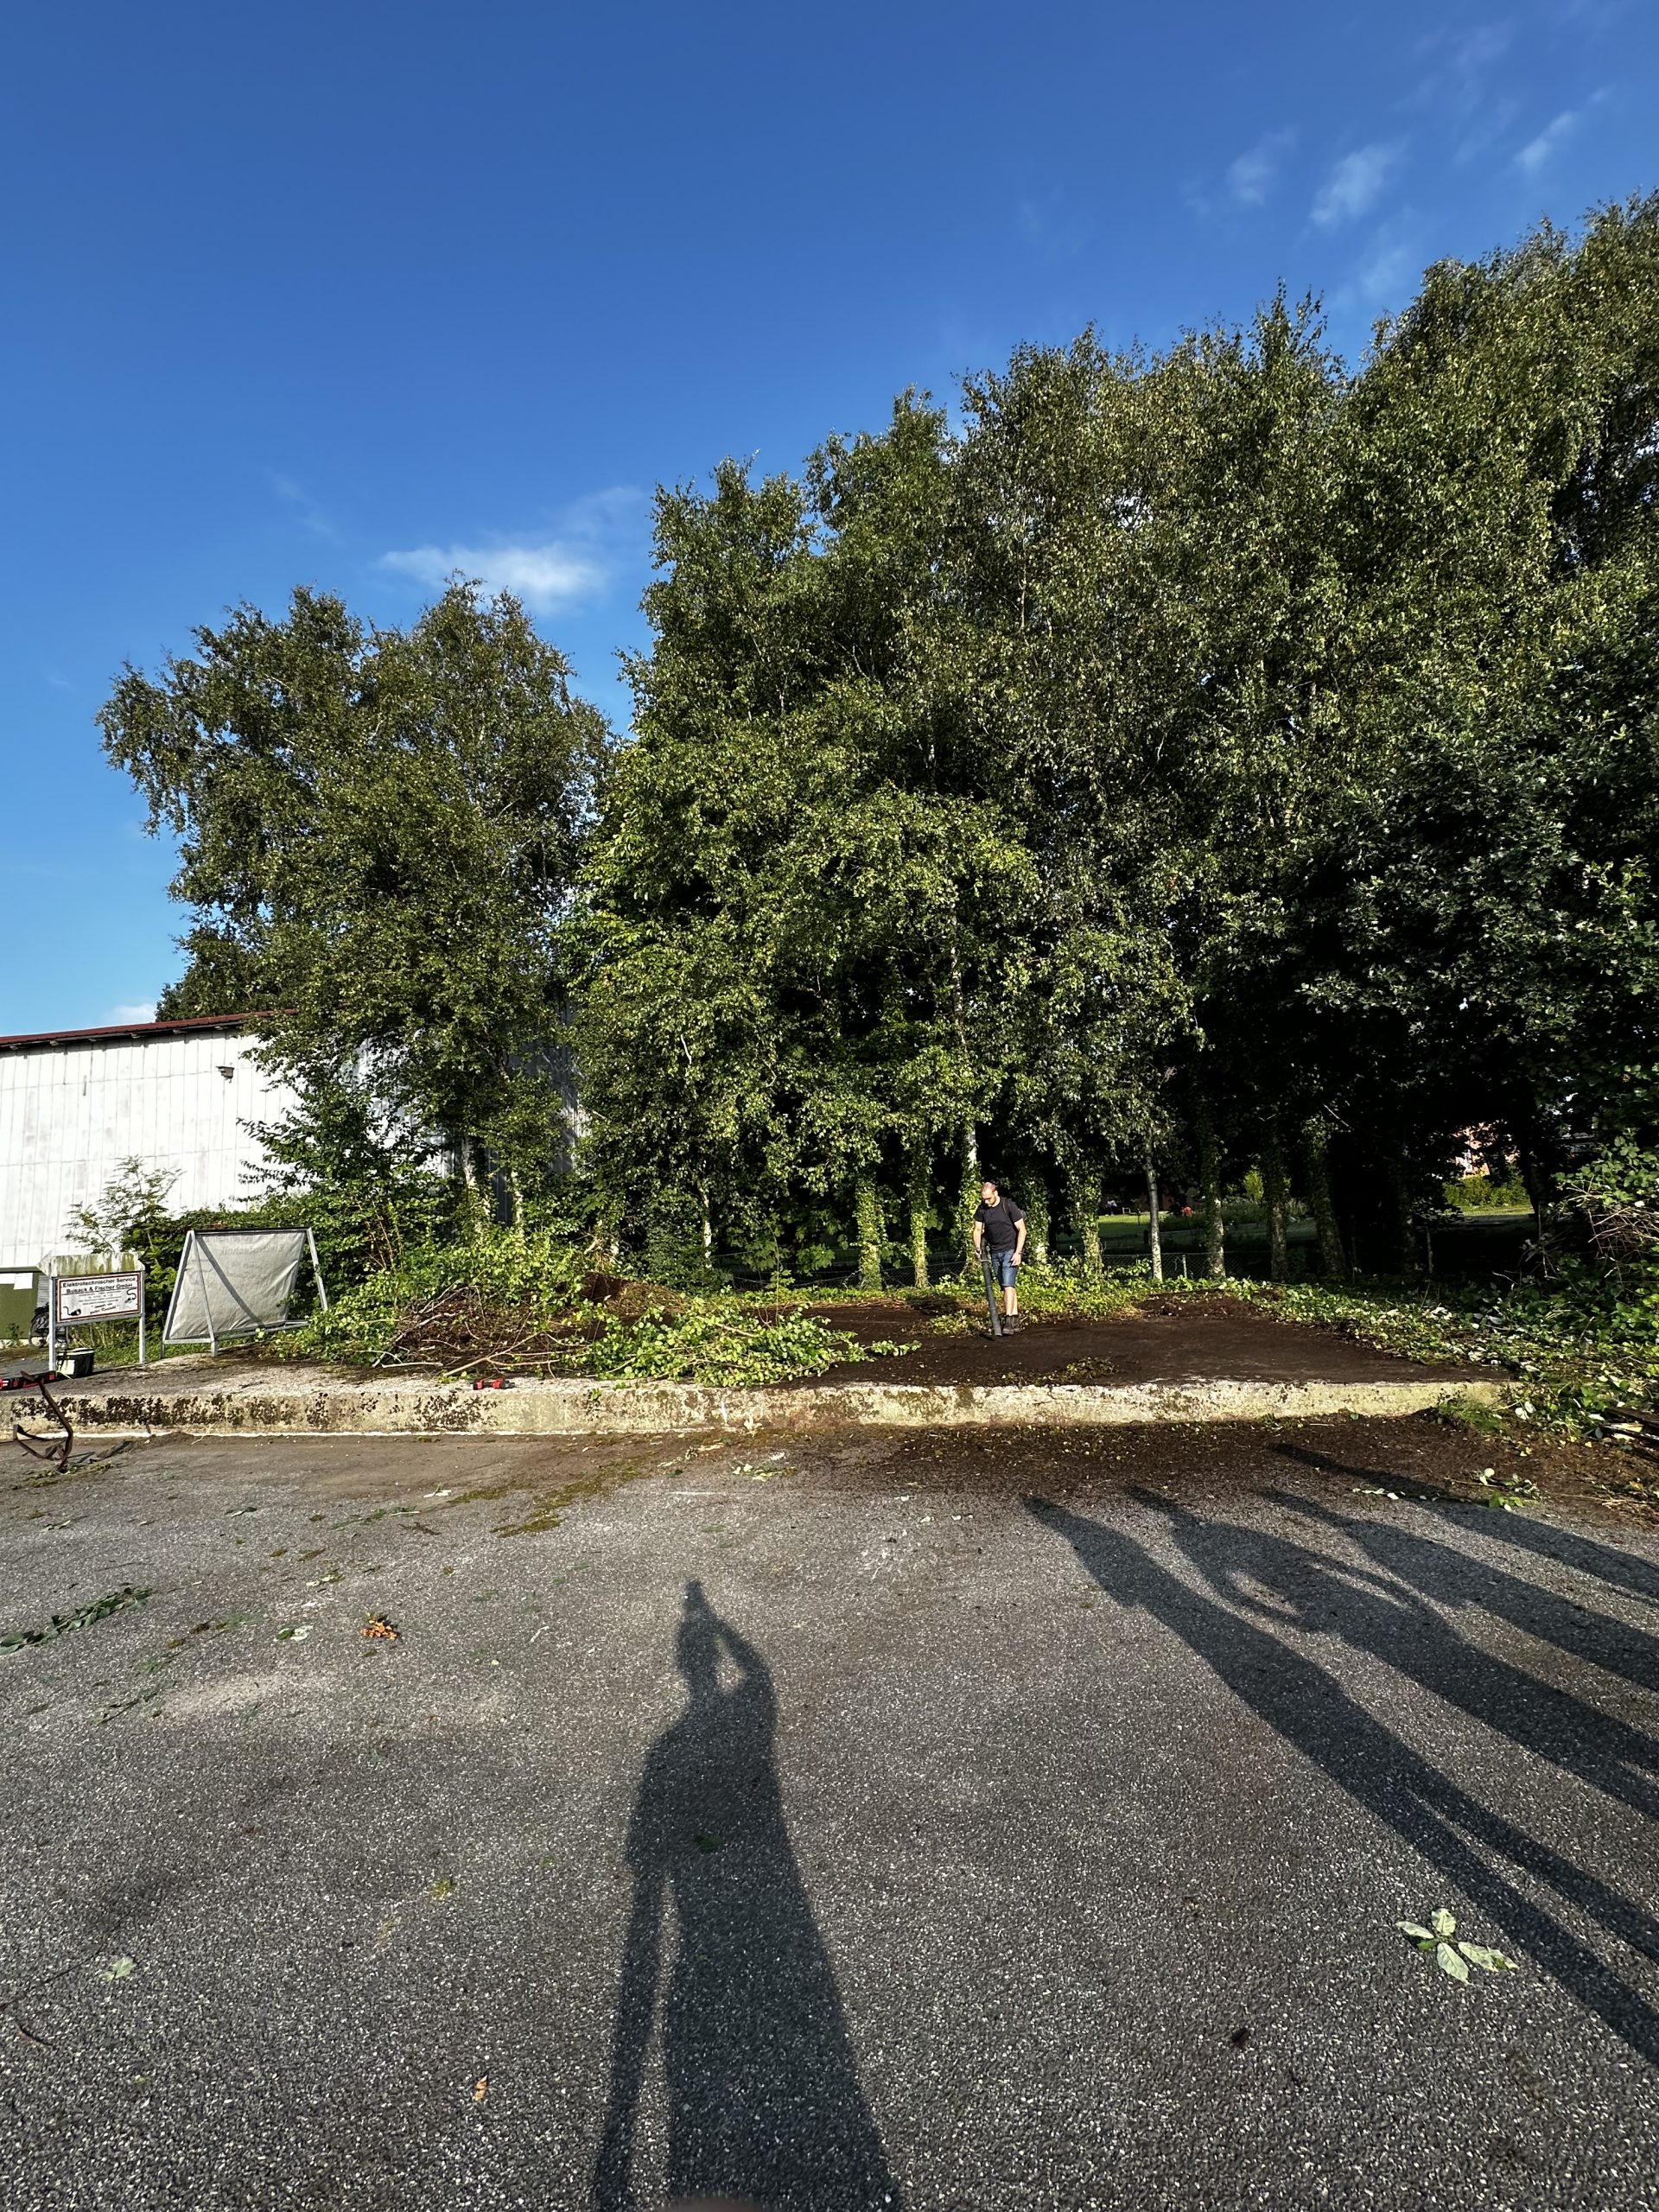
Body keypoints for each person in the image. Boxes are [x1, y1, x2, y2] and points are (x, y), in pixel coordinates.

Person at [971, 1176, 1027, 1326]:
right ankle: (1015, 1318)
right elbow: (977, 1230)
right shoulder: (982, 1209)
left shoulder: (1008, 1205)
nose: (986, 1202)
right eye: (984, 1199)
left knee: (1008, 1285)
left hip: (1011, 1249)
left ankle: (1008, 1320)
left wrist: (1018, 1252)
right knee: (1006, 1286)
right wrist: (977, 1247)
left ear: (995, 1193)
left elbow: (1022, 1229)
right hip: (995, 1251)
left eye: (988, 1199)